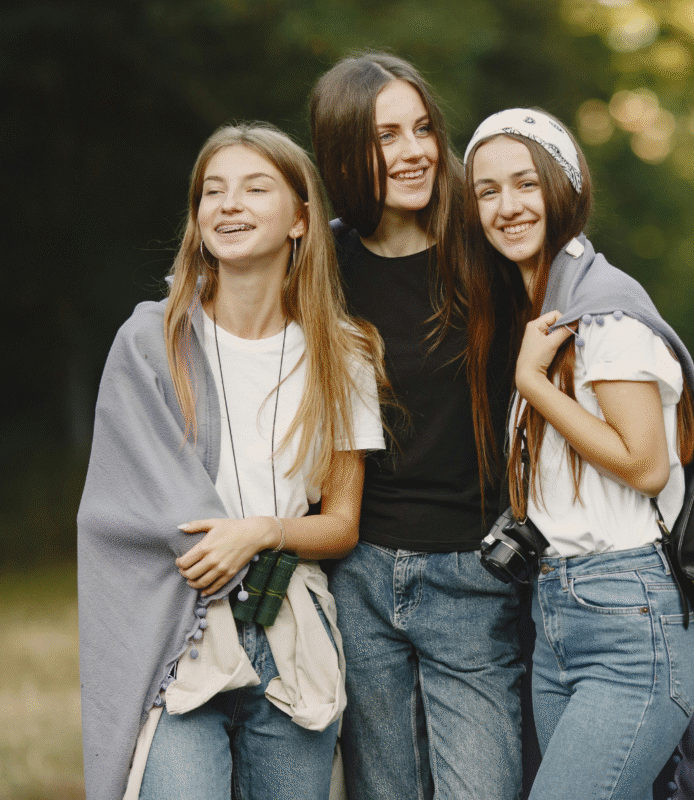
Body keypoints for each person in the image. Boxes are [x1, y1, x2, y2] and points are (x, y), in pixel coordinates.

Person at [76, 121, 386, 800]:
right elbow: (114, 514)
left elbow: (341, 524)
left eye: (254, 188)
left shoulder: (343, 353)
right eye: (211, 192)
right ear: (196, 219)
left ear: (302, 219)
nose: (229, 204)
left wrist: (260, 530)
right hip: (178, 634)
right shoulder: (150, 343)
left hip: (290, 632)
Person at [464, 107, 694, 800]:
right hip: (560, 616)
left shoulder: (605, 312)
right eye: (487, 191)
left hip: (628, 621)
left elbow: (645, 462)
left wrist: (531, 384)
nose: (507, 206)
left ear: (564, 185)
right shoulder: (544, 309)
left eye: (525, 183)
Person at [308, 54, 525, 799]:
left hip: (473, 571)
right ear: (344, 156)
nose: (414, 151)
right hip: (358, 573)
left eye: (423, 128)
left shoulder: (488, 248)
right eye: (385, 137)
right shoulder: (320, 265)